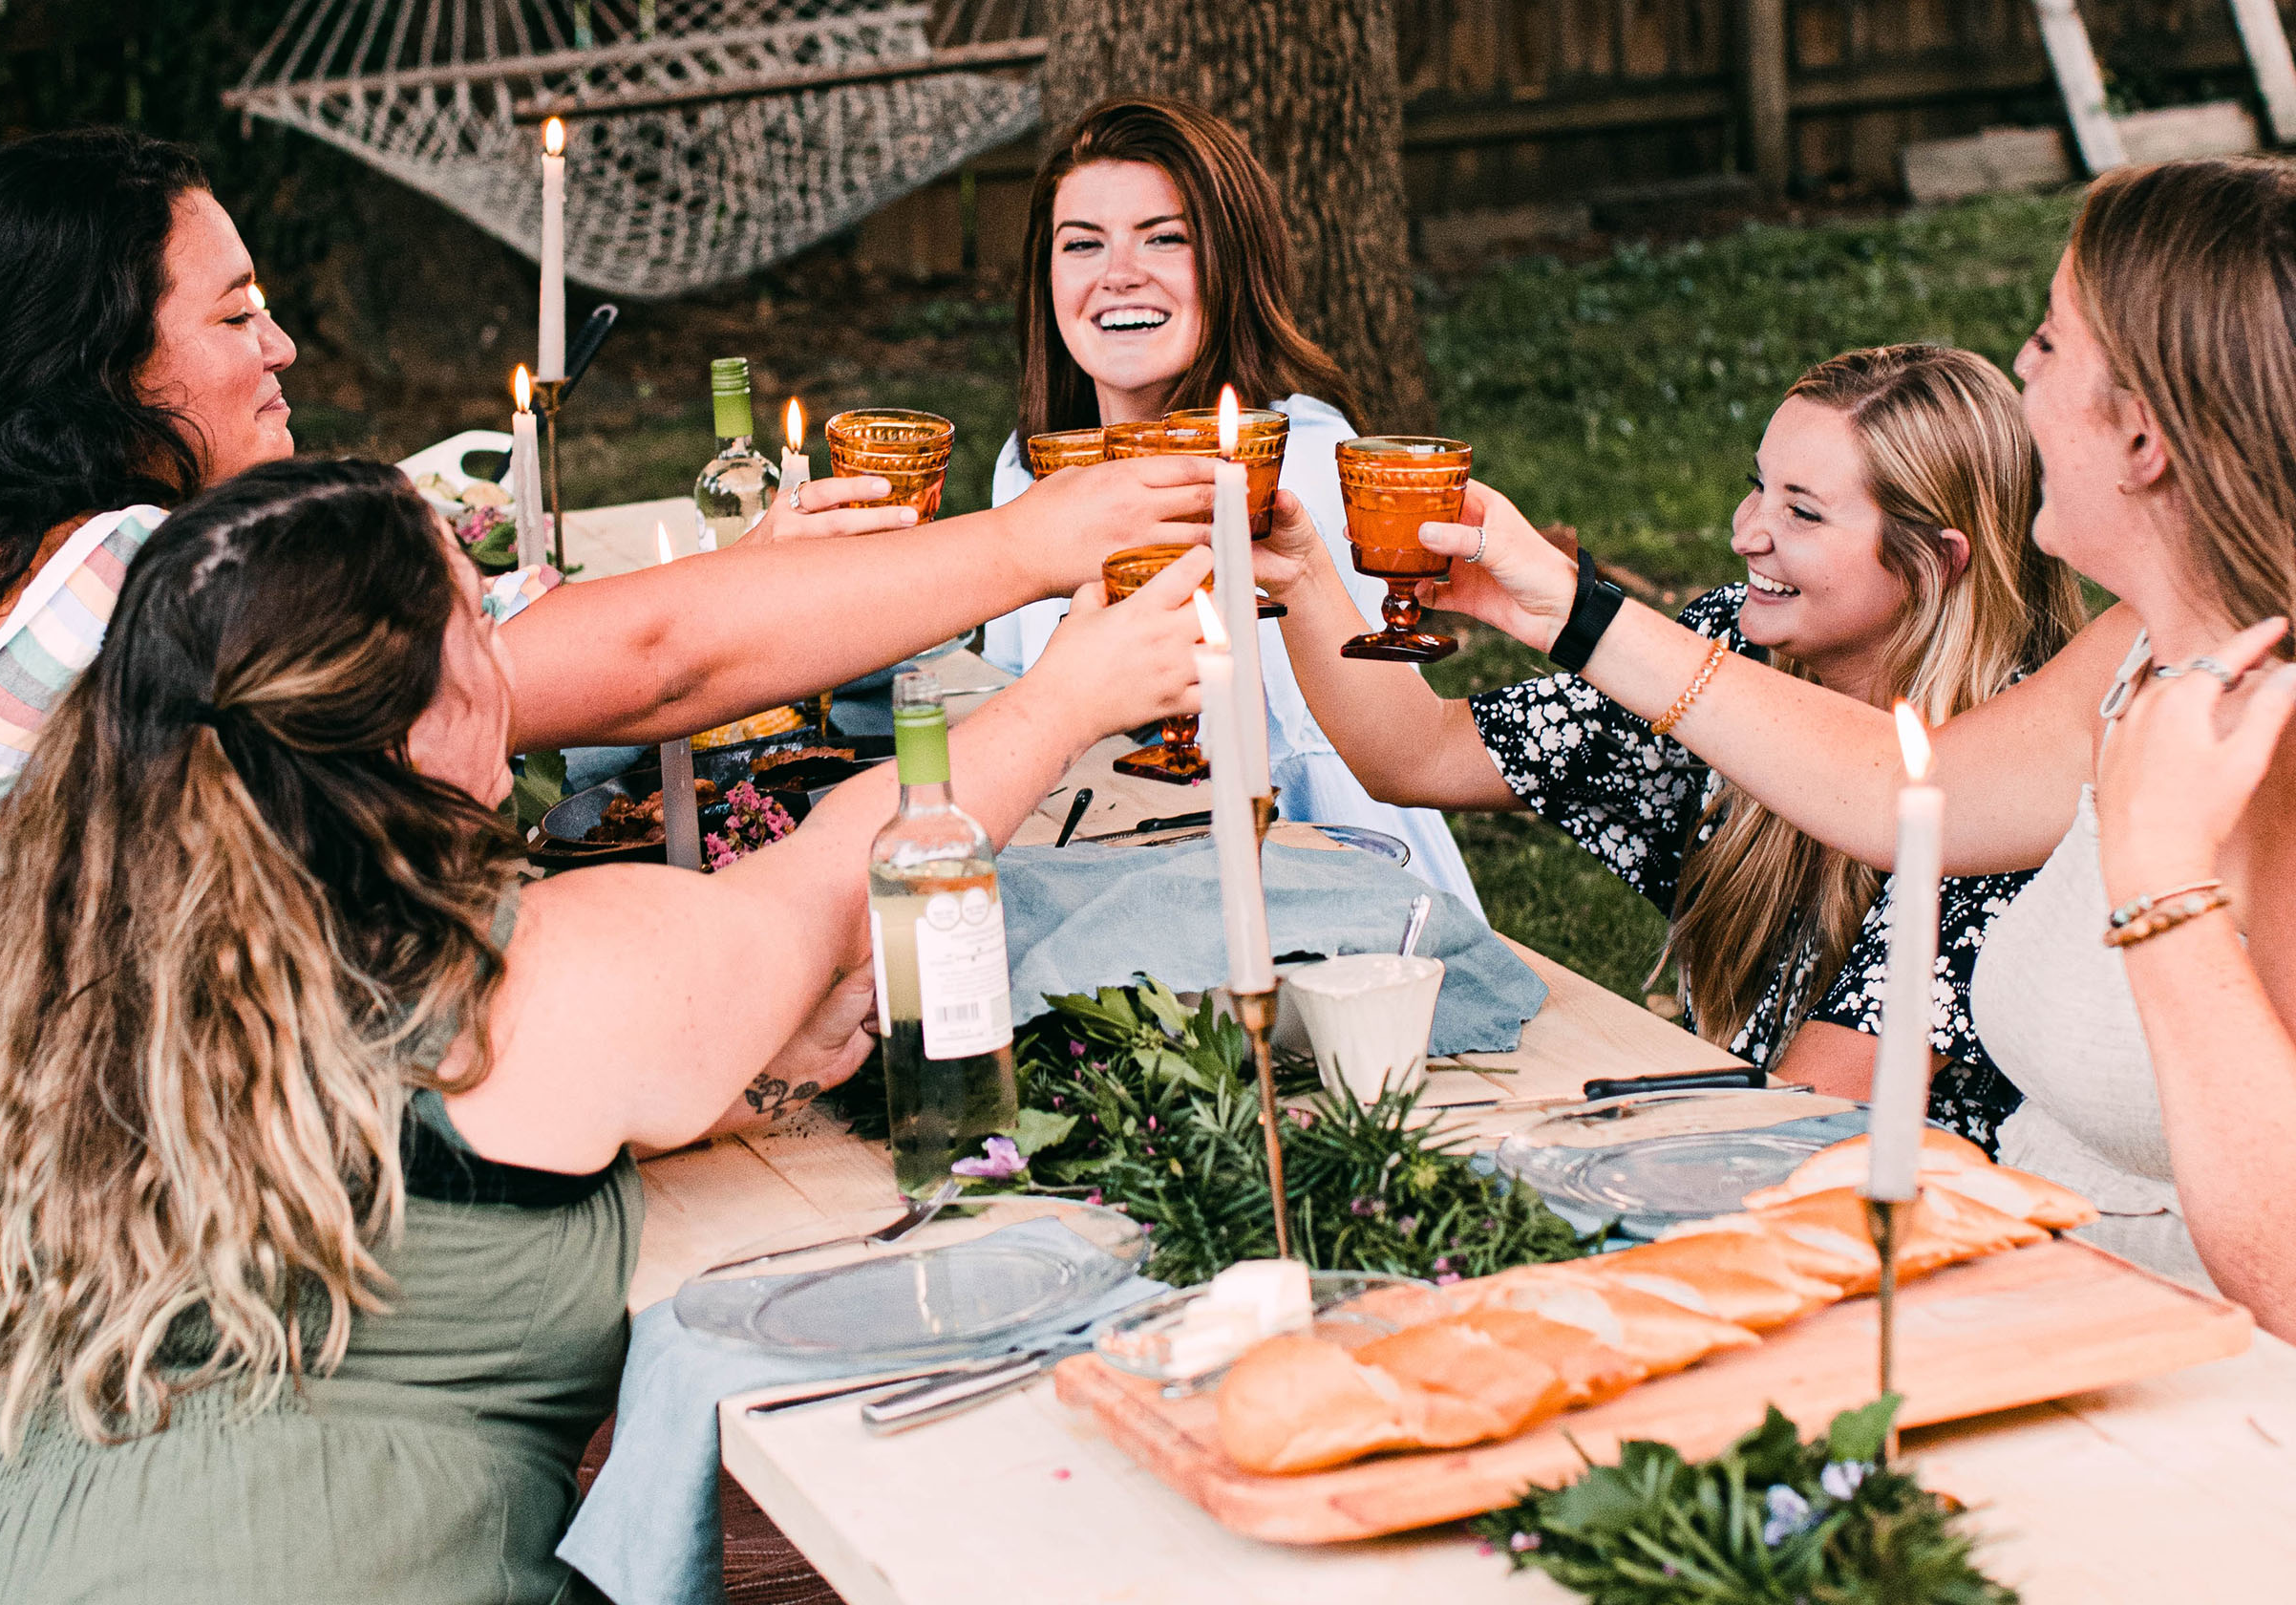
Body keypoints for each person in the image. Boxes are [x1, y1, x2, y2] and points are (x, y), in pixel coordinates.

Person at [0, 458, 1209, 1600]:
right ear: (419, 716)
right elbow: (820, 888)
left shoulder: (79, 955)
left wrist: (726, 1061)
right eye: (483, 628)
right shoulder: (523, 979)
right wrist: (1066, 698)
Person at [0, 127, 1218, 1104]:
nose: (284, 346)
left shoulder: (0, 569)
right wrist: (1037, 548)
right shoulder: (132, 588)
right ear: (99, 367)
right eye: (238, 314)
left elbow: (588, 624)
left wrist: (761, 573)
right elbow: (636, 664)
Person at [1414, 158, 2296, 1336]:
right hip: (2028, 1303)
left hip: (2192, 1393)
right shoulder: (2148, 644)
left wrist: (2162, 882)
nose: (2019, 370)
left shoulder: (2263, 737)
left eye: (2047, 340)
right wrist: (1565, 614)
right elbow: (1893, 785)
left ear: (2142, 436)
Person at [1251, 345, 2084, 1146]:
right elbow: (1417, 754)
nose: (1747, 533)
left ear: (1935, 563)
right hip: (1725, 1149)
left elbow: (1810, 1112)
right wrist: (1300, 573)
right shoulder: (1735, 651)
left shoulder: (2006, 789)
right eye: (1756, 487)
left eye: (1802, 511)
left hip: (1914, 1228)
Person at [975, 97, 1481, 911]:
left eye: (1164, 237)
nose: (1118, 273)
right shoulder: (1031, 469)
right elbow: (1006, 690)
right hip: (1089, 851)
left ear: (1231, 262)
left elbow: (1331, 764)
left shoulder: (1296, 463)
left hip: (1307, 882)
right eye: (1082, 245)